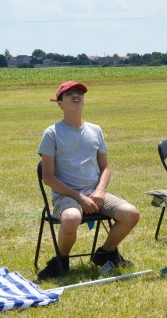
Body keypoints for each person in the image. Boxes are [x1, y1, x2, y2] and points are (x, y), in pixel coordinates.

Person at [37, 81, 140, 280]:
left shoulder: (95, 130)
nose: (76, 96)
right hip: (67, 196)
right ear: (60, 103)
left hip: (95, 193)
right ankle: (61, 260)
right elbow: (48, 177)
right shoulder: (52, 133)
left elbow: (106, 168)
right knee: (71, 218)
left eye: (79, 93)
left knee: (131, 214)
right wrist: (80, 198)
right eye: (69, 94)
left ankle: (105, 253)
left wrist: (100, 191)